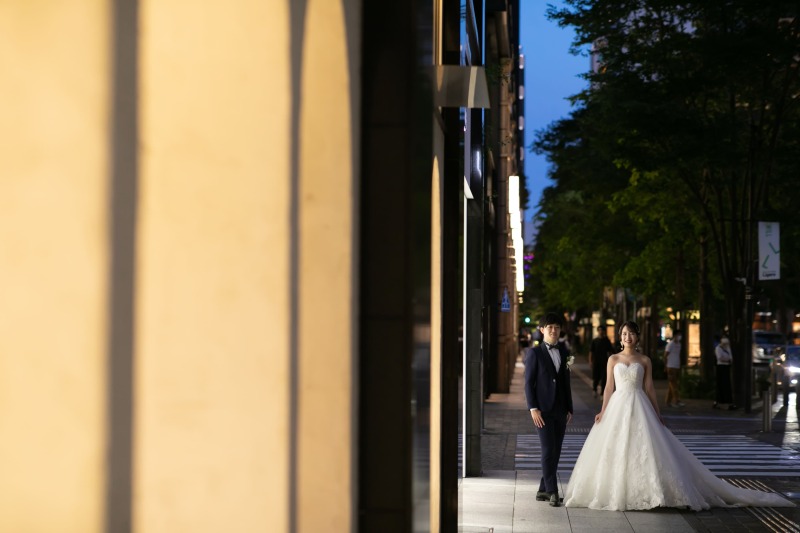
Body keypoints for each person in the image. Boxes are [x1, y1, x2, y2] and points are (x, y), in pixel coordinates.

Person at [564, 321, 794, 511]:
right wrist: (603, 410)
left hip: (640, 405)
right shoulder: (612, 359)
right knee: (615, 448)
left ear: (637, 337)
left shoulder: (644, 360)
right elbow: (607, 388)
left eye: (631, 334)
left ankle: (651, 491)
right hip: (617, 405)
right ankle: (616, 490)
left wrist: (657, 413)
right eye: (624, 334)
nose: (627, 337)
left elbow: (650, 388)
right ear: (620, 337)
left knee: (646, 449)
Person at [524, 312, 574, 507]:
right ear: (542, 329)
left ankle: (542, 490)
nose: (554, 330)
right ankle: (553, 491)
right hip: (542, 410)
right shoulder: (534, 353)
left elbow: (566, 382)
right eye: (550, 327)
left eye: (557, 327)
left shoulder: (564, 352)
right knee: (547, 449)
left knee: (557, 450)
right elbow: (528, 383)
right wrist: (533, 408)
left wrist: (569, 407)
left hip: (561, 409)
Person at [589, 326, 613, 398]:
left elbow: (610, 352)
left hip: (604, 362)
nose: (601, 331)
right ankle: (594, 389)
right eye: (599, 330)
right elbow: (591, 352)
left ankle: (602, 393)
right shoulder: (595, 340)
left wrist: (610, 362)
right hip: (596, 361)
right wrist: (590, 361)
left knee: (604, 377)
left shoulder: (607, 340)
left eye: (602, 330)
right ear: (598, 331)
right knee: (595, 376)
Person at [713, 337, 737, 410]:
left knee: (727, 384)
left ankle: (728, 401)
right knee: (721, 384)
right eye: (724, 344)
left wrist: (728, 360)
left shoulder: (728, 348)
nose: (726, 345)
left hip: (726, 366)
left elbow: (730, 357)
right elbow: (720, 358)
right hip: (720, 367)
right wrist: (727, 360)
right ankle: (720, 400)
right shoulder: (718, 348)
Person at [664, 331, 685, 407]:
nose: (679, 337)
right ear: (675, 336)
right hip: (671, 366)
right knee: (674, 384)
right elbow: (665, 355)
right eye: (678, 335)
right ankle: (677, 400)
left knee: (672, 385)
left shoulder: (679, 344)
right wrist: (666, 366)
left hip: (676, 366)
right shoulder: (670, 345)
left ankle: (668, 401)